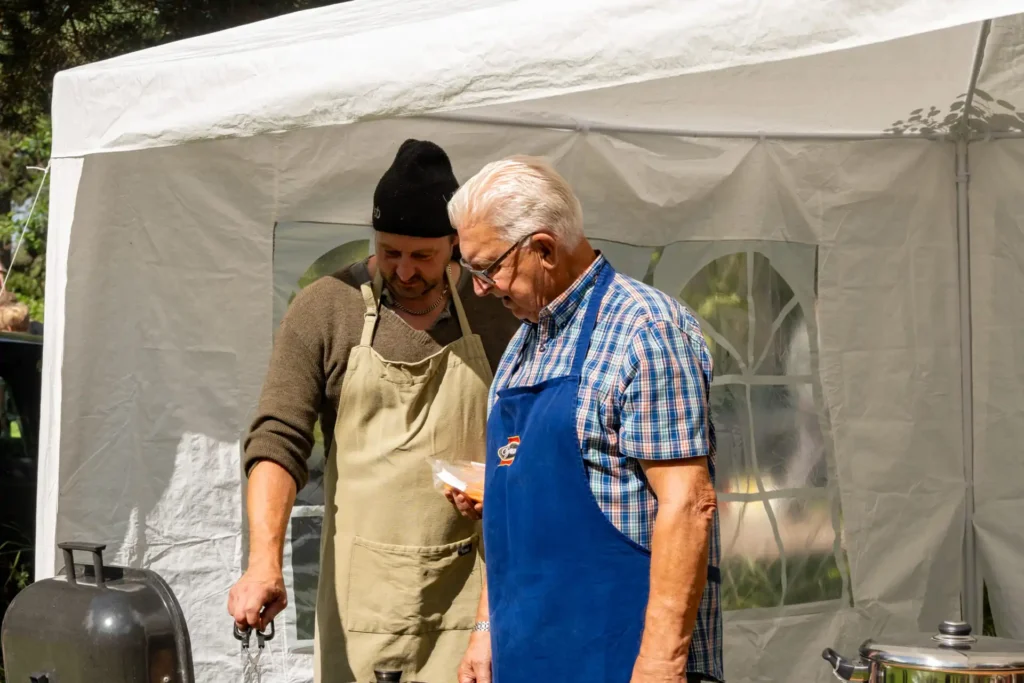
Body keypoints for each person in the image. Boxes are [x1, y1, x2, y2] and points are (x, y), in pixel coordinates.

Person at [227, 139, 521, 683]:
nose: (404, 271)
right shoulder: (325, 306)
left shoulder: (496, 309)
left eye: (422, 256)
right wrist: (263, 560)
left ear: (454, 244)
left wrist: (507, 474)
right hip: (362, 596)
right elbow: (277, 437)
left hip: (473, 591)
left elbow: (533, 432)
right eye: (390, 252)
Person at [446, 156, 724, 683]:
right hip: (526, 657)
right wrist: (484, 633)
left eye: (487, 269)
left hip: (619, 660)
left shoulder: (647, 331)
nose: (479, 288)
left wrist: (660, 668)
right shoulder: (522, 347)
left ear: (544, 249)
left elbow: (689, 504)